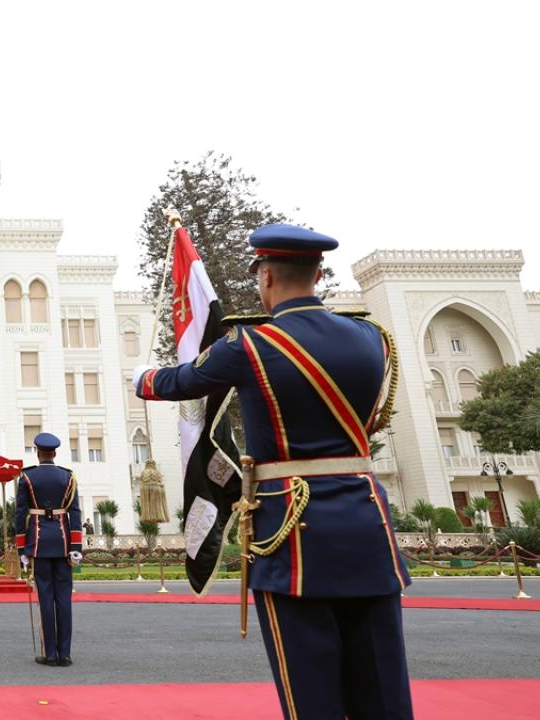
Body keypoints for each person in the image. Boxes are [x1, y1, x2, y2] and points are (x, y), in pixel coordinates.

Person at [134, 224, 413, 719]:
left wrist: (141, 379)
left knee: (311, 691)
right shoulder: (374, 338)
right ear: (319, 274)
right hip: (367, 522)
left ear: (264, 276)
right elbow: (369, 420)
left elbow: (183, 381)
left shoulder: (251, 346)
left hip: (294, 529)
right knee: (383, 688)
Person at [15, 433, 82, 667]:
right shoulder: (68, 477)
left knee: (45, 598)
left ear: (37, 452)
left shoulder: (27, 477)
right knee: (64, 599)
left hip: (40, 543)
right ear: (54, 453)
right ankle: (65, 654)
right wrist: (76, 547)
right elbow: (74, 512)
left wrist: (22, 548)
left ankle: (50, 654)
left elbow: (20, 514)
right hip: (64, 544)